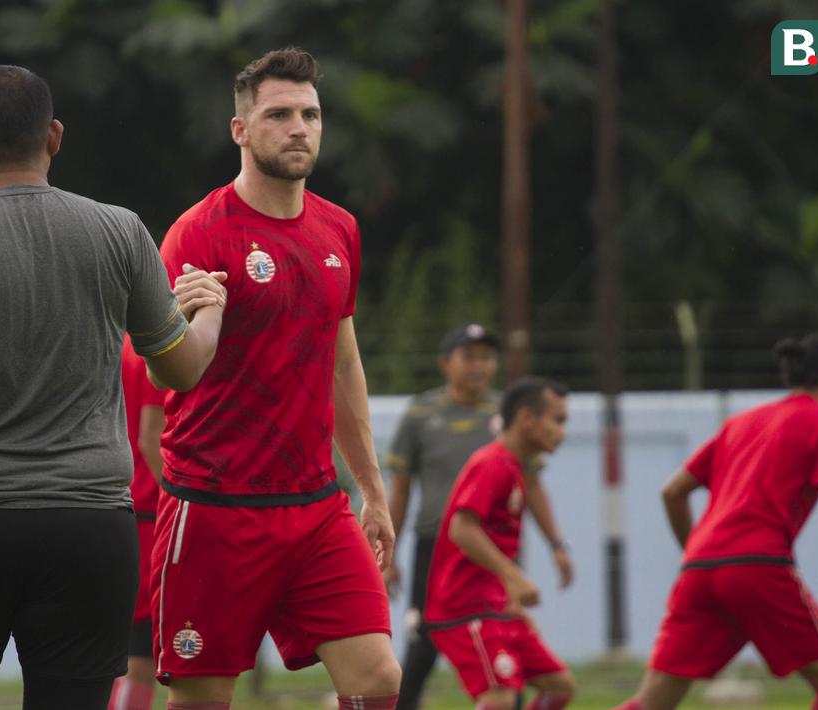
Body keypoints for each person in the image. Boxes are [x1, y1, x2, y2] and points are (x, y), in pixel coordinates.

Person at [0, 65, 224, 710]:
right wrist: (208, 310)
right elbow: (179, 368)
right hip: (91, 529)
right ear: (56, 137)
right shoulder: (119, 230)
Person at [152, 47, 401, 710]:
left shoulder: (339, 228)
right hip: (213, 506)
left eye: (310, 114)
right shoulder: (197, 233)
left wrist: (371, 490)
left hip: (316, 504)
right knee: (203, 700)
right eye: (279, 114)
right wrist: (181, 325)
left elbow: (342, 362)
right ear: (240, 130)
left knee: (377, 680)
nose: (299, 127)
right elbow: (171, 370)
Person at [614, 333, 818, 710]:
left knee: (651, 701)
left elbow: (672, 492)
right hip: (759, 565)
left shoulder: (742, 422)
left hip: (700, 569)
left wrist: (695, 550)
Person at [388, 326, 573, 710]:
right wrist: (387, 552)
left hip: (490, 571)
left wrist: (555, 546)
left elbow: (532, 490)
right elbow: (452, 521)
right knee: (429, 653)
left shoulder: (509, 443)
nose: (478, 366)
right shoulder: (431, 421)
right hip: (451, 569)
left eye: (486, 357)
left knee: (553, 684)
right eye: (468, 357)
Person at [424, 377, 576, 710]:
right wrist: (514, 577)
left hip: (494, 604)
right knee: (500, 700)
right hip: (464, 607)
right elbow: (462, 530)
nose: (563, 432)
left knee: (559, 685)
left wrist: (509, 591)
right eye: (558, 420)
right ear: (526, 419)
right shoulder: (491, 463)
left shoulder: (513, 467)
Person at [108, 335, 168, 710]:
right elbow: (152, 437)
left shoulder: (118, 342)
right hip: (146, 510)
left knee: (117, 647)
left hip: (113, 503)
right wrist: (184, 500)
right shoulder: (157, 346)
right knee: (141, 653)